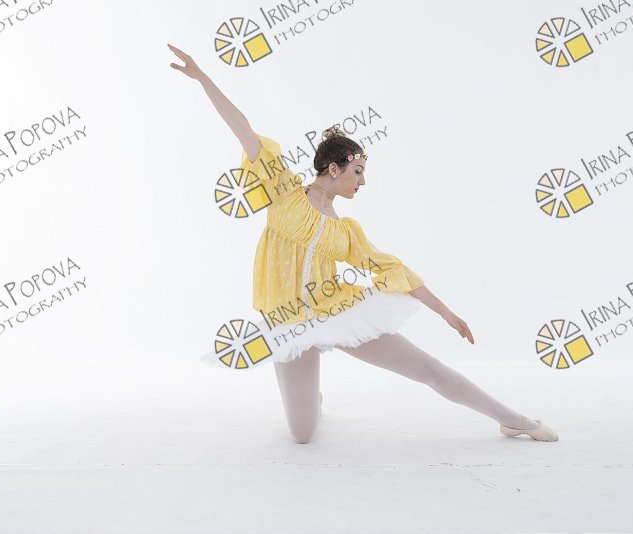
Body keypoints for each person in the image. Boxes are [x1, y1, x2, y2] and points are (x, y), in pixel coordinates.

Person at [167, 43, 558, 444]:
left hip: (337, 311)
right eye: (358, 171)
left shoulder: (346, 232)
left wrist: (447, 313)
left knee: (427, 369)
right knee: (302, 435)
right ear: (333, 169)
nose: (363, 181)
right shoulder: (284, 193)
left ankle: (515, 419)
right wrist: (203, 78)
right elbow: (244, 130)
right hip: (288, 323)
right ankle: (312, 400)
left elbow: (393, 269)